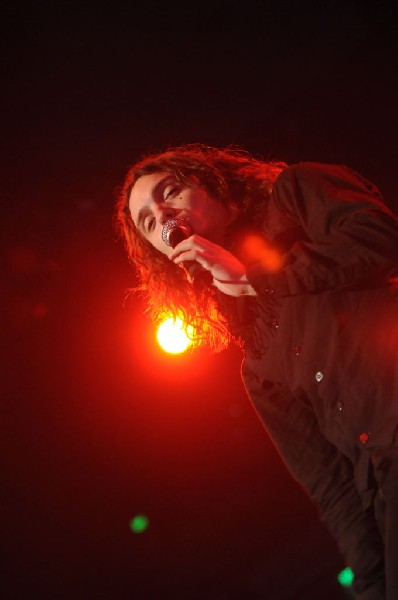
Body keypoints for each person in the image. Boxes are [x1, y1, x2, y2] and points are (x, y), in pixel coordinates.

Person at [115, 144, 398, 599]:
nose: (163, 213)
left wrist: (254, 276)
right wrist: (372, 585)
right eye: (148, 220)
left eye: (171, 191)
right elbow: (335, 492)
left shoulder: (296, 191)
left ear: (214, 187)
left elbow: (379, 238)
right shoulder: (259, 364)